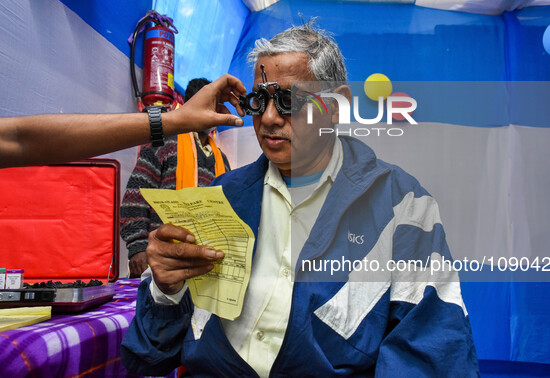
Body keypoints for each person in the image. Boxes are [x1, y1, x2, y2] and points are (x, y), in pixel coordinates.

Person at [121, 21, 479, 376]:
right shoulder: (219, 197)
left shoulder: (403, 206)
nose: (270, 118)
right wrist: (166, 290)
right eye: (259, 100)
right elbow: (149, 356)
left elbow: (432, 357)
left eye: (289, 101)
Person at [0, 74, 245, 169]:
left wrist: (176, 120)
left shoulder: (220, 159)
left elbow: (21, 140)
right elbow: (19, 140)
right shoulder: (165, 146)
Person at [121, 78, 232, 278]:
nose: (213, 113)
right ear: (192, 106)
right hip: (161, 262)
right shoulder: (165, 143)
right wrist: (137, 248)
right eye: (207, 106)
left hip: (206, 264)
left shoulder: (221, 160)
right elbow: (135, 197)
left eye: (215, 108)